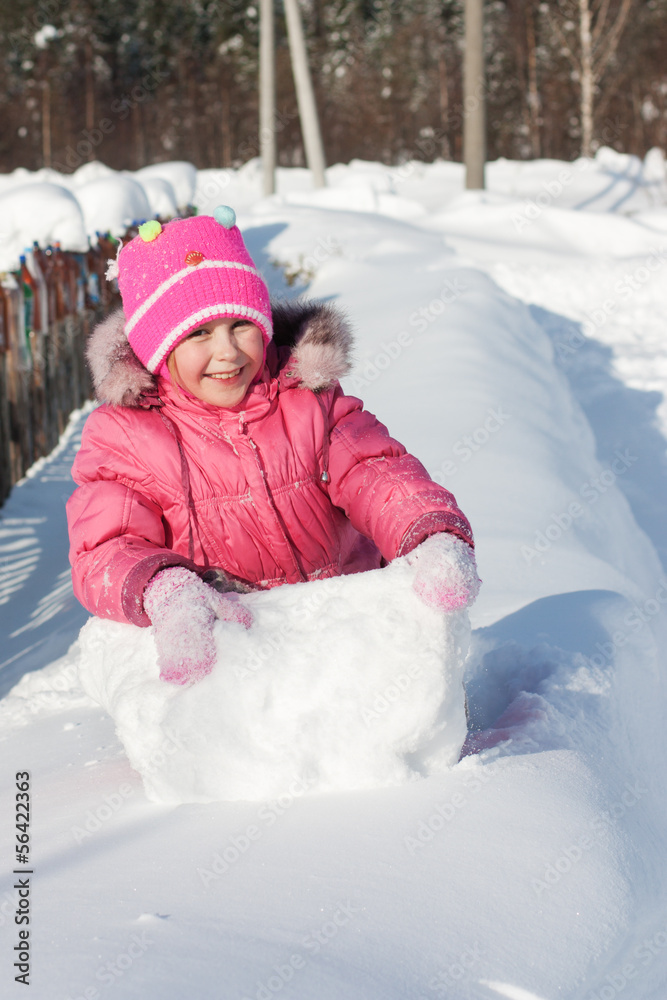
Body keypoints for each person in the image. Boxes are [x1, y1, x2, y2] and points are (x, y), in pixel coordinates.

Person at [67, 207, 479, 686]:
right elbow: (106, 546)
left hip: (349, 635)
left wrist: (428, 534)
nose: (228, 352)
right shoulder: (126, 438)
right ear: (158, 349)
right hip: (235, 661)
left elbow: (375, 471)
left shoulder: (307, 399)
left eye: (240, 325)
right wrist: (165, 588)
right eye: (199, 332)